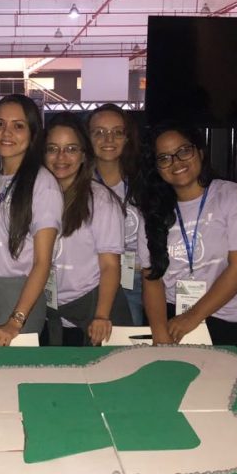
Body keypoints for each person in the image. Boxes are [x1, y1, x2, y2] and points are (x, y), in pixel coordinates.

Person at [138, 125, 237, 351]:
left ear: (200, 153)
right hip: (168, 316)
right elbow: (151, 277)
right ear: (156, 167)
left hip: (225, 316)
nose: (176, 162)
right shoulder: (152, 211)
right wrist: (159, 331)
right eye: (164, 158)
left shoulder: (231, 197)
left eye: (184, 151)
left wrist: (192, 317)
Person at [0, 94, 62, 345]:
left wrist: (16, 320)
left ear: (33, 133)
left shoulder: (43, 185)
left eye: (18, 126)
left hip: (17, 297)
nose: (6, 133)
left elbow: (42, 262)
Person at [42, 112, 124, 346]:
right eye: (53, 149)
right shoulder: (37, 196)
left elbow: (110, 265)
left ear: (83, 156)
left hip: (91, 311)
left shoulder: (100, 200)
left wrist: (102, 316)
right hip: (49, 311)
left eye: (71, 149)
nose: (61, 157)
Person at [87, 103, 143, 325]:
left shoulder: (144, 181)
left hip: (138, 278)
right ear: (87, 138)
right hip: (93, 279)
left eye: (117, 132)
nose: (108, 139)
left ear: (127, 138)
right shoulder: (77, 184)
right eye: (99, 132)